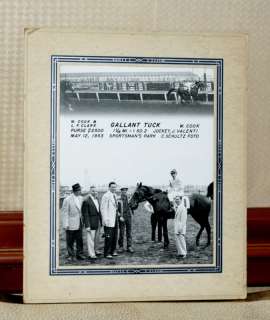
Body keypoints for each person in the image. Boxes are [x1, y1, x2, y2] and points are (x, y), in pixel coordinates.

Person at [62, 183, 84, 262]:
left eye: (80, 190)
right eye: (79, 190)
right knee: (70, 241)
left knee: (79, 240)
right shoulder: (67, 199)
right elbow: (64, 212)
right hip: (70, 224)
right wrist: (65, 224)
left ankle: (79, 254)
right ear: (75, 191)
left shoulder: (81, 198)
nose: (80, 191)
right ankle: (71, 255)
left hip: (79, 223)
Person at [82, 185, 102, 261]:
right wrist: (87, 225)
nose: (95, 192)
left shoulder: (97, 199)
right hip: (90, 223)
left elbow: (98, 212)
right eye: (93, 191)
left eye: (96, 191)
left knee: (96, 238)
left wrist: (101, 221)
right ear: (90, 191)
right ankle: (91, 254)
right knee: (90, 239)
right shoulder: (86, 201)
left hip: (98, 222)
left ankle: (96, 250)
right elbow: (85, 214)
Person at [100, 182, 119, 259]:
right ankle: (106, 253)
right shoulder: (106, 196)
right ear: (109, 187)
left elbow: (115, 207)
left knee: (115, 236)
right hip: (108, 220)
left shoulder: (114, 195)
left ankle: (113, 251)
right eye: (112, 187)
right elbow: (103, 208)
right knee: (108, 237)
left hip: (115, 219)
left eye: (115, 187)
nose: (114, 188)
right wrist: (105, 219)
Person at [118, 187, 134, 253]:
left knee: (129, 232)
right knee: (121, 232)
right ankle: (121, 247)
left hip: (128, 217)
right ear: (121, 191)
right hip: (122, 217)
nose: (124, 192)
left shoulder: (129, 198)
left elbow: (132, 206)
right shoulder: (118, 199)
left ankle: (129, 246)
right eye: (123, 191)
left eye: (125, 191)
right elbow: (116, 209)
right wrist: (119, 216)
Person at [173, 194, 187, 258]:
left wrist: (180, 228)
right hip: (177, 226)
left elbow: (183, 220)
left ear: (181, 200)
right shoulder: (178, 207)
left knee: (181, 240)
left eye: (178, 199)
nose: (177, 201)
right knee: (177, 240)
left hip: (180, 227)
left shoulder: (183, 208)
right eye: (176, 200)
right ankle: (180, 253)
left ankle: (184, 253)